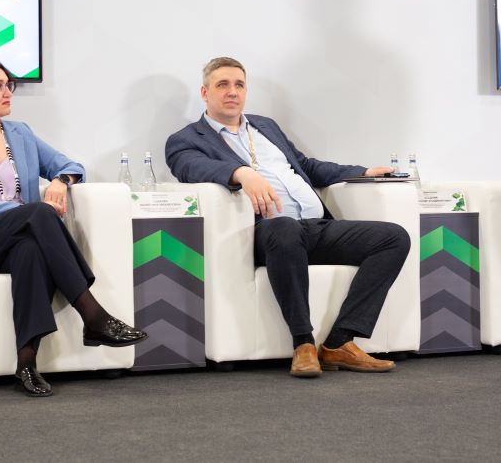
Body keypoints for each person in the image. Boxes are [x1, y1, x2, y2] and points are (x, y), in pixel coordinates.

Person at [165, 57, 411, 378]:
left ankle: (340, 341)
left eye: (239, 85)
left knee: (393, 238)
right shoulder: (186, 140)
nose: (232, 92)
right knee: (283, 228)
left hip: (314, 227)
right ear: (205, 92)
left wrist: (363, 172)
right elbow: (190, 168)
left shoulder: (265, 126)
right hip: (265, 233)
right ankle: (303, 343)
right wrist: (241, 172)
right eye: (222, 85)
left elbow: (305, 166)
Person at [0, 58, 147, 396]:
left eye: (9, 85)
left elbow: (71, 166)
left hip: (20, 236)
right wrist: (22, 212)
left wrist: (61, 181)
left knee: (30, 251)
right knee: (38, 214)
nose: (8, 92)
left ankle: (26, 364)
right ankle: (92, 315)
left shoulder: (21, 134)